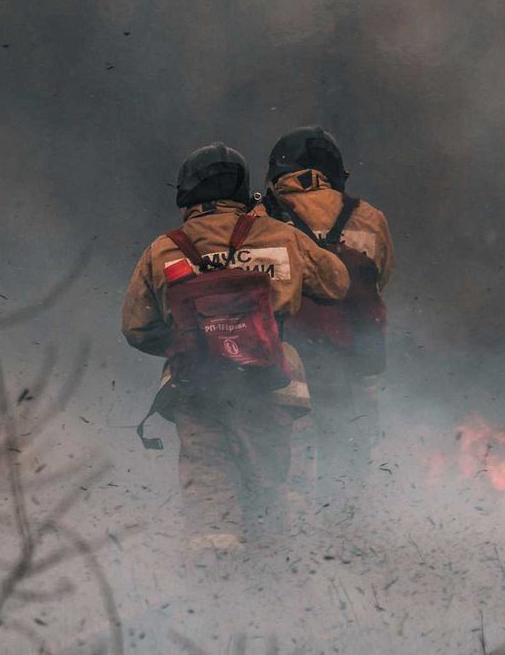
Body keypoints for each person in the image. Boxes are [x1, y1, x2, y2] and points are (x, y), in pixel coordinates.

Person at [121, 142, 349, 551]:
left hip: (197, 386)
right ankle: (282, 574)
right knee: (274, 484)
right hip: (274, 383)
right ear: (243, 189)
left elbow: (137, 329)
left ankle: (218, 586)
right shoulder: (281, 236)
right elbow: (336, 283)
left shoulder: (163, 249)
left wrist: (197, 341)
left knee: (209, 484)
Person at [261, 126, 395, 509]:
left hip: (281, 359)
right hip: (348, 357)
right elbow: (379, 278)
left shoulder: (259, 217)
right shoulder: (369, 218)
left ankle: (285, 545)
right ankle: (343, 545)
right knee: (347, 457)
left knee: (284, 458)